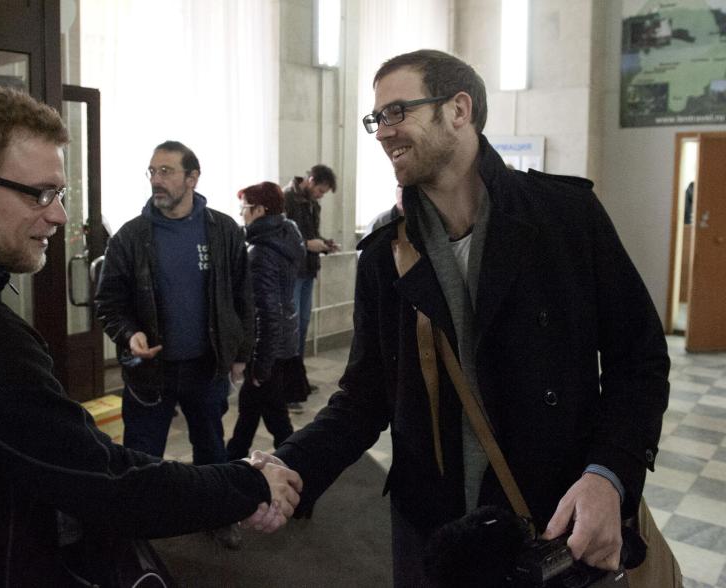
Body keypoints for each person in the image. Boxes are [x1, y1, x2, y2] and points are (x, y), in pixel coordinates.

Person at [0, 84, 301, 586]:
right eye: (40, 193)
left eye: (60, 193)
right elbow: (104, 481)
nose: (59, 214)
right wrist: (248, 482)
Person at [267, 49, 670, 585]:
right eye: (376, 119)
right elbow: (365, 397)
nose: (383, 132)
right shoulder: (387, 255)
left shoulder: (564, 218)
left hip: (554, 520)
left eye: (397, 112)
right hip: (436, 532)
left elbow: (637, 360)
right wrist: (290, 463)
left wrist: (609, 475)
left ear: (459, 110)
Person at [94, 140, 254, 548]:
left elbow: (242, 298)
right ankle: (136, 532)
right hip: (150, 372)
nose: (156, 180)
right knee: (141, 457)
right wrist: (129, 334)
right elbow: (108, 302)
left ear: (192, 177)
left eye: (166, 171)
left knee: (212, 449)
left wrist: (240, 355)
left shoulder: (223, 231)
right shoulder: (130, 236)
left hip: (206, 366)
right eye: (152, 172)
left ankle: (217, 517)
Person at [226, 182, 305, 461]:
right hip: (284, 341)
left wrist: (260, 365)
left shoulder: (260, 253)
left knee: (274, 419)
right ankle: (233, 461)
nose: (242, 214)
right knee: (254, 413)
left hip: (268, 348)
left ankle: (295, 468)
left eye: (245, 208)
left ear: (260, 210)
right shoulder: (286, 235)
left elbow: (267, 312)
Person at [283, 164, 339, 407]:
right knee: (291, 329)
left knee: (303, 326)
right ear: (311, 180)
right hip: (291, 272)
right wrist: (308, 245)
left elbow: (309, 233)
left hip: (307, 270)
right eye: (320, 191)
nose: (320, 196)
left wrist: (325, 243)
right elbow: (285, 237)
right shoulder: (286, 198)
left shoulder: (312, 203)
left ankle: (299, 381)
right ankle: (287, 388)